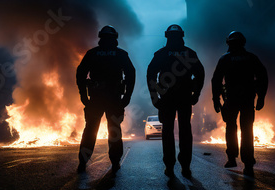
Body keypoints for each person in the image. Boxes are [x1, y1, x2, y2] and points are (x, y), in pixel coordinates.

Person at [147, 24, 205, 178]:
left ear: (167, 36)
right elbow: (200, 74)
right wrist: (196, 94)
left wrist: (155, 97)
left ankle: (170, 166)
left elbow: (151, 75)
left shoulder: (161, 53)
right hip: (184, 97)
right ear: (182, 36)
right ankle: (185, 166)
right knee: (185, 131)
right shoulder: (189, 53)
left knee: (168, 132)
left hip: (167, 98)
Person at [76, 25, 135, 175]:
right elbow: (130, 74)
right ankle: (115, 163)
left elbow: (80, 74)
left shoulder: (92, 54)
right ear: (115, 38)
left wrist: (83, 95)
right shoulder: (120, 54)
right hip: (114, 100)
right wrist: (127, 96)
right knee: (114, 131)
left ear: (101, 37)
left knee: (90, 130)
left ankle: (82, 162)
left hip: (95, 99)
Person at [211, 31, 268, 176]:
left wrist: (216, 100)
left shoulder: (225, 59)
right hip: (247, 99)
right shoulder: (251, 58)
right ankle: (248, 163)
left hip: (231, 99)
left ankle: (232, 158)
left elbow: (216, 80)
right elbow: (263, 76)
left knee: (231, 128)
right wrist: (261, 97)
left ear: (229, 43)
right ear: (243, 42)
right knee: (247, 130)